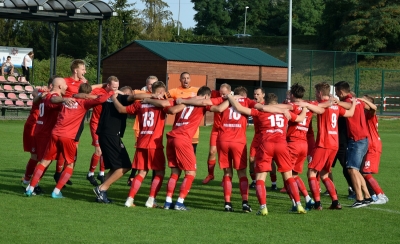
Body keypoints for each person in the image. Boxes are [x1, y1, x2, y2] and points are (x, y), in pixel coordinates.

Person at [25, 83, 114, 198]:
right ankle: (56, 192)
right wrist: (111, 92)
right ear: (88, 94)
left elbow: (53, 99)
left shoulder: (67, 100)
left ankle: (30, 188)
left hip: (55, 133)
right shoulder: (84, 103)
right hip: (69, 136)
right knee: (70, 164)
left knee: (44, 161)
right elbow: (101, 99)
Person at [226, 92, 308, 215]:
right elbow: (301, 119)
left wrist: (230, 97)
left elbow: (239, 108)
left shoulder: (260, 111)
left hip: (266, 145)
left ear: (266, 102)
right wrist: (305, 108)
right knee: (289, 176)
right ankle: (299, 204)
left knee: (260, 178)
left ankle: (263, 207)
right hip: (282, 145)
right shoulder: (284, 112)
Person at [162, 86, 227, 210]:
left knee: (175, 172)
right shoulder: (203, 104)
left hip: (171, 137)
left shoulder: (185, 100)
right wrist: (230, 99)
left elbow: (170, 109)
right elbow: (218, 108)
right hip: (183, 138)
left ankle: (168, 202)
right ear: (207, 96)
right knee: (191, 172)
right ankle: (180, 203)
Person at [110, 81, 172, 208]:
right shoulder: (161, 104)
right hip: (154, 144)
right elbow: (167, 105)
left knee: (142, 172)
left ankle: (130, 199)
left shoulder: (140, 104)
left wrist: (113, 98)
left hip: (141, 141)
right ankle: (151, 200)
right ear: (160, 92)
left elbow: (121, 109)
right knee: (160, 172)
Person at [93, 76, 154, 204]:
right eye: (113, 87)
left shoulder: (107, 98)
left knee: (115, 167)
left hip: (106, 134)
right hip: (110, 135)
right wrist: (154, 94)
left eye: (117, 87)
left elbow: (89, 91)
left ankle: (101, 191)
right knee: (125, 166)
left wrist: (108, 89)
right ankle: (101, 188)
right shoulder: (121, 98)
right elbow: (133, 97)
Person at [307, 82, 356, 210]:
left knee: (311, 172)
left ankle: (317, 203)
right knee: (324, 174)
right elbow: (350, 114)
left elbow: (314, 108)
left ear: (319, 92)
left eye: (316, 92)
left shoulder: (324, 106)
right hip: (334, 144)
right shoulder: (335, 106)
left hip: (323, 143)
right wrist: (354, 104)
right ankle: (335, 202)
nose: (315, 94)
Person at [334, 81, 373, 208]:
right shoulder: (357, 101)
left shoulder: (351, 101)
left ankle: (359, 198)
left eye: (336, 93)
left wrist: (337, 102)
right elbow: (371, 107)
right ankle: (367, 196)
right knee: (354, 170)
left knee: (351, 169)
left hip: (357, 139)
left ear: (340, 92)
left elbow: (348, 104)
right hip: (360, 139)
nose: (336, 95)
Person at [286, 83, 325, 211]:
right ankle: (308, 199)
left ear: (292, 95)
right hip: (304, 144)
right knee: (295, 175)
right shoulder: (309, 104)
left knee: (287, 176)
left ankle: (295, 203)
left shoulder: (292, 106)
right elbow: (321, 109)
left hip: (292, 142)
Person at [21, 78, 52, 194]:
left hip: (40, 127)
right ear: (51, 85)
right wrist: (39, 89)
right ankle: (31, 182)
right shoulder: (44, 94)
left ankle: (29, 180)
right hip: (35, 126)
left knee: (40, 157)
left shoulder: (49, 95)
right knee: (39, 157)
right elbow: (34, 92)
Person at [126, 76, 158, 186]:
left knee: (154, 153)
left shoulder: (160, 95)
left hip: (154, 129)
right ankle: (132, 176)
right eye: (150, 84)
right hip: (140, 128)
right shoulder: (141, 93)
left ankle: (153, 179)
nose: (152, 86)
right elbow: (131, 94)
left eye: (154, 84)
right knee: (140, 152)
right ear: (146, 85)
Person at [359, 95, 388, 204]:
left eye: (363, 101)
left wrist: (362, 100)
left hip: (373, 146)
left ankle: (381, 195)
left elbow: (374, 108)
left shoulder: (370, 114)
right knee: (363, 172)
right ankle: (377, 195)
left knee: (365, 172)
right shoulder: (364, 114)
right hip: (369, 145)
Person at [202, 83, 232, 184]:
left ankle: (226, 176)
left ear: (229, 92)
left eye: (224, 94)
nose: (222, 95)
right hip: (216, 129)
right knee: (212, 152)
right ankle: (210, 174)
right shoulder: (215, 94)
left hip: (227, 130)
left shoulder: (233, 99)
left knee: (225, 154)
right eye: (220, 93)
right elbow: (204, 93)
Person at [166, 72, 200, 153]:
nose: (186, 80)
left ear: (190, 79)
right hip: (179, 126)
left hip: (193, 129)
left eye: (188, 78)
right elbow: (161, 96)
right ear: (180, 80)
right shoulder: (175, 91)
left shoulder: (197, 91)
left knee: (192, 153)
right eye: (184, 78)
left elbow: (210, 95)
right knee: (178, 154)